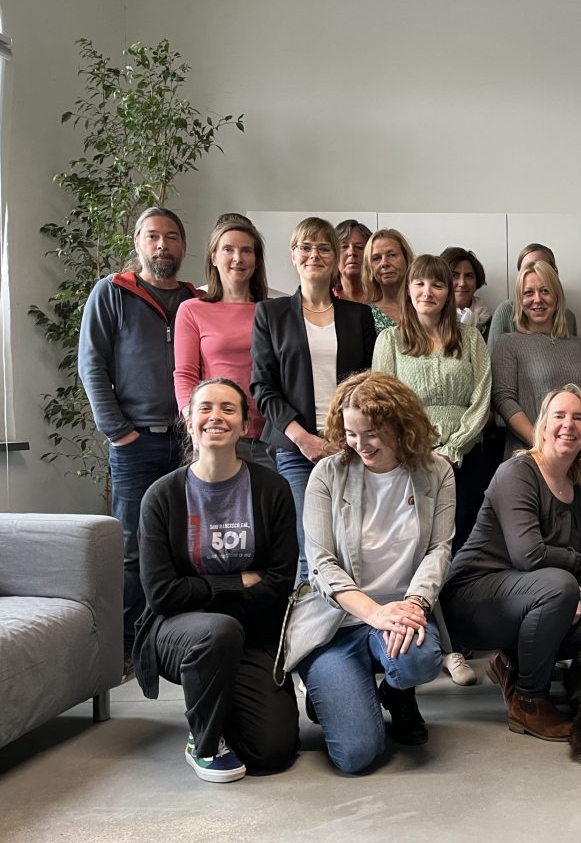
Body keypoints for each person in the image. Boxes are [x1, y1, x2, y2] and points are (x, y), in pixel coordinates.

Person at [134, 378, 299, 782]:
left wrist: (201, 591)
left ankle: (220, 706)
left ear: (245, 425)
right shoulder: (162, 496)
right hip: (178, 632)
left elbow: (279, 582)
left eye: (228, 409)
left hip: (251, 633)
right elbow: (161, 595)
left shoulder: (271, 490)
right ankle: (204, 741)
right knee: (217, 631)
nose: (216, 417)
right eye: (205, 408)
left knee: (273, 752)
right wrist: (235, 583)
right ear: (188, 420)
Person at [284, 372, 450, 773]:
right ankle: (336, 687)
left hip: (400, 615)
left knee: (418, 660)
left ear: (400, 424)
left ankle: (397, 691)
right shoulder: (327, 474)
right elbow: (321, 563)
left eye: (371, 433)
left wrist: (413, 603)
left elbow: (439, 549)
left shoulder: (436, 471)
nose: (360, 445)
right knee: (358, 755)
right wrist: (375, 614)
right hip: (336, 624)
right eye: (352, 434)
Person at [440, 385, 581, 741]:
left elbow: (580, 568)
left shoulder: (576, 487)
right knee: (558, 588)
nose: (569, 425)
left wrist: (577, 593)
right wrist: (575, 568)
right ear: (542, 426)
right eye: (559, 416)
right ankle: (530, 702)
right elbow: (529, 554)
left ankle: (511, 664)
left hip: (527, 595)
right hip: (472, 596)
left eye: (579, 418)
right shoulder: (518, 472)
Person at [78, 206, 200, 669]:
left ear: (184, 246)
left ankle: (177, 638)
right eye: (153, 236)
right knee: (132, 546)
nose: (163, 245)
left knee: (188, 544)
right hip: (136, 443)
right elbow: (92, 366)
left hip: (190, 444)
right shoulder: (111, 293)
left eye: (172, 237)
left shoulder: (195, 299)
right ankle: (129, 647)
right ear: (137, 242)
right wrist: (119, 432)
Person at [251, 217, 376, 580]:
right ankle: (307, 633)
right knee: (311, 547)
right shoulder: (270, 314)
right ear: (293, 255)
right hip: (296, 449)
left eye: (324, 248)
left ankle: (350, 627)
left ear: (336, 258)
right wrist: (301, 438)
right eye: (305, 247)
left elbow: (369, 384)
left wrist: (347, 439)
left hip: (351, 445)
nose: (314, 255)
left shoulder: (359, 315)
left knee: (353, 544)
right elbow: (263, 386)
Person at [372, 254, 492, 551]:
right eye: (420, 283)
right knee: (414, 542)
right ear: (409, 290)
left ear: (448, 294)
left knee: (463, 540)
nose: (428, 292)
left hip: (464, 457)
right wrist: (415, 448)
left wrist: (453, 449)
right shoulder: (390, 340)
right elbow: (383, 403)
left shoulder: (471, 338)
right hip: (409, 458)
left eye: (437, 285)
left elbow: (482, 397)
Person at [174, 217, 274, 470]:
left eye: (246, 251)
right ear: (213, 257)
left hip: (268, 438)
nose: (238, 258)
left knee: (266, 509)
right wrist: (193, 424)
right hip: (216, 434)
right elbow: (185, 374)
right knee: (209, 510)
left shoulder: (273, 311)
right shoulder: (192, 310)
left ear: (256, 260)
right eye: (228, 249)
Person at [492, 260, 581, 458]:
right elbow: (504, 400)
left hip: (580, 457)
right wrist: (542, 443)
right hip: (532, 454)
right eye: (528, 293)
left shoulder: (578, 345)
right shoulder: (508, 343)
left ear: (557, 297)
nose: (537, 299)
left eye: (545, 291)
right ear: (519, 300)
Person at [487, 243, 578, 344]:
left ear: (554, 274)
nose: (534, 271)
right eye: (527, 268)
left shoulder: (568, 318)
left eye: (542, 267)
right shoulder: (506, 311)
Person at [362, 228, 415, 332]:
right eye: (376, 258)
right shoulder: (365, 314)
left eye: (392, 255)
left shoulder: (425, 305)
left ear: (406, 259)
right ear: (370, 267)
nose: (384, 263)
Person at [442, 246, 492, 338]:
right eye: (454, 275)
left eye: (469, 276)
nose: (462, 283)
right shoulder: (430, 322)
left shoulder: (491, 324)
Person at [333, 219, 372, 303]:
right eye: (344, 246)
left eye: (359, 247)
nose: (352, 252)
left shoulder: (382, 299)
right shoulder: (325, 300)